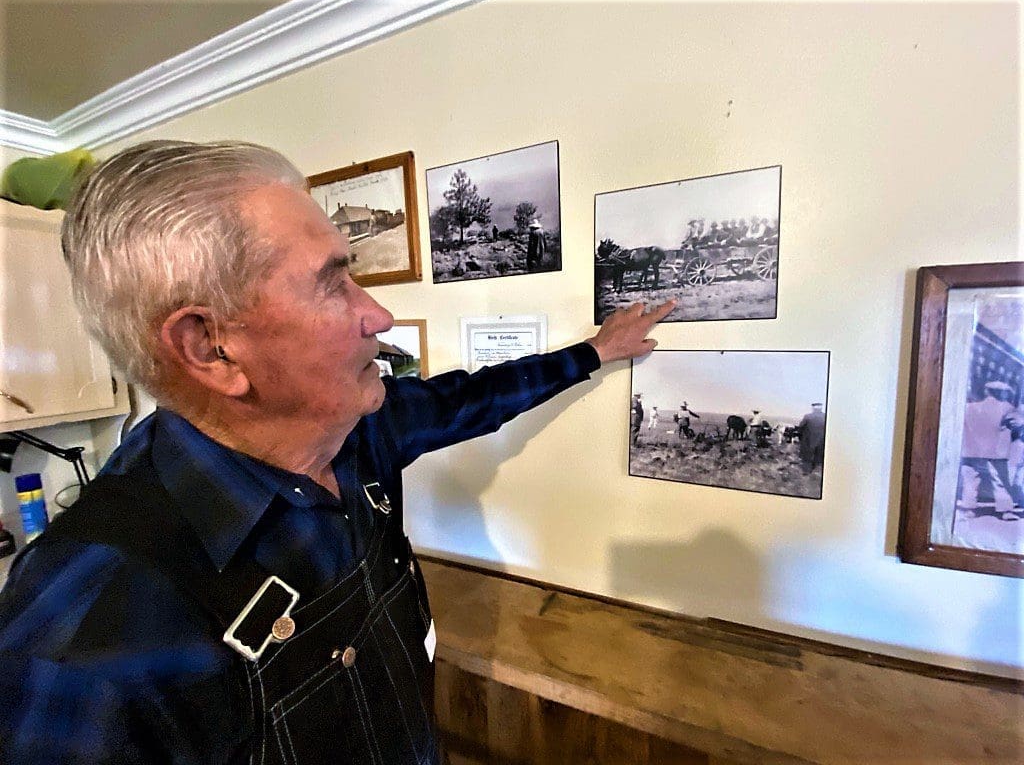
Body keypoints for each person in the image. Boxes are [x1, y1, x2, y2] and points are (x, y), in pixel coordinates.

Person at [0, 140, 674, 764]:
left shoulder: (354, 429)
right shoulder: (78, 634)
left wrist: (595, 352)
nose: (378, 316)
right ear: (212, 347)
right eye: (332, 282)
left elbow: (473, 398)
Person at [957, 381, 1020, 518]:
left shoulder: (969, 407)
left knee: (970, 480)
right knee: (1000, 481)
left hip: (970, 450)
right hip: (995, 451)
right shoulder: (1006, 408)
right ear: (1002, 393)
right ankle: (1005, 511)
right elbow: (1018, 423)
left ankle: (969, 510)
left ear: (987, 392)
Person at [797, 402, 827, 473]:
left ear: (813, 408)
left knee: (807, 458)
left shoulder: (807, 416)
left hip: (808, 441)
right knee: (818, 458)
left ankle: (806, 472)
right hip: (822, 441)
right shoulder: (826, 416)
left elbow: (800, 428)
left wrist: (800, 438)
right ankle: (816, 472)